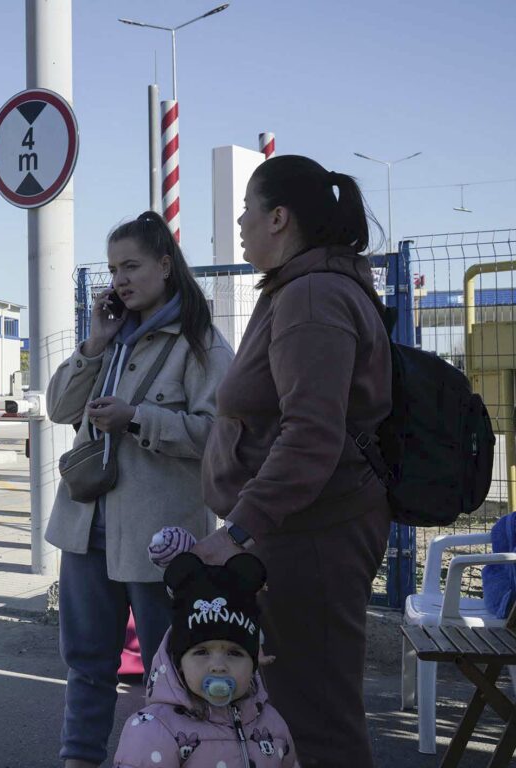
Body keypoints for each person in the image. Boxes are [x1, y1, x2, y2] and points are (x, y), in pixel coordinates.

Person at [194, 155, 392, 768]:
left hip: (312, 536)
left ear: (279, 217)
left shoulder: (311, 296)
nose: (241, 227)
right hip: (301, 531)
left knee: (317, 720)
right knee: (294, 709)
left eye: (247, 213)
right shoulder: (302, 287)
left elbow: (311, 435)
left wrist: (241, 529)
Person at [45, 211, 234, 768]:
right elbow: (59, 407)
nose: (120, 279)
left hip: (163, 539)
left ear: (165, 266)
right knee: (86, 661)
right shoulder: (112, 339)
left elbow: (215, 437)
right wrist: (94, 344)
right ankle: (79, 759)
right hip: (85, 528)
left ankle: (177, 757)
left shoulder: (200, 344)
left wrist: (135, 418)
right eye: (113, 269)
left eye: (132, 266)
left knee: (170, 666)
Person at [112, 552, 299, 768]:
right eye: (201, 652)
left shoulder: (272, 726)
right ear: (178, 660)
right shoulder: (154, 730)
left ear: (254, 662)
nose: (218, 666)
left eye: (235, 653)